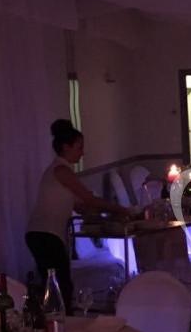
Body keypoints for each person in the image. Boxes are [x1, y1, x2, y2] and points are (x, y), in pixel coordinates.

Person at [26, 119, 134, 313]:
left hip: (44, 234)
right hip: (44, 234)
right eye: (79, 147)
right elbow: (88, 199)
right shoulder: (61, 171)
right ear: (66, 147)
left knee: (59, 285)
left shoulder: (59, 172)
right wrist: (121, 210)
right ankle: (59, 325)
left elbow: (81, 205)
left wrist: (103, 216)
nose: (82, 152)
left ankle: (58, 324)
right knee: (60, 285)